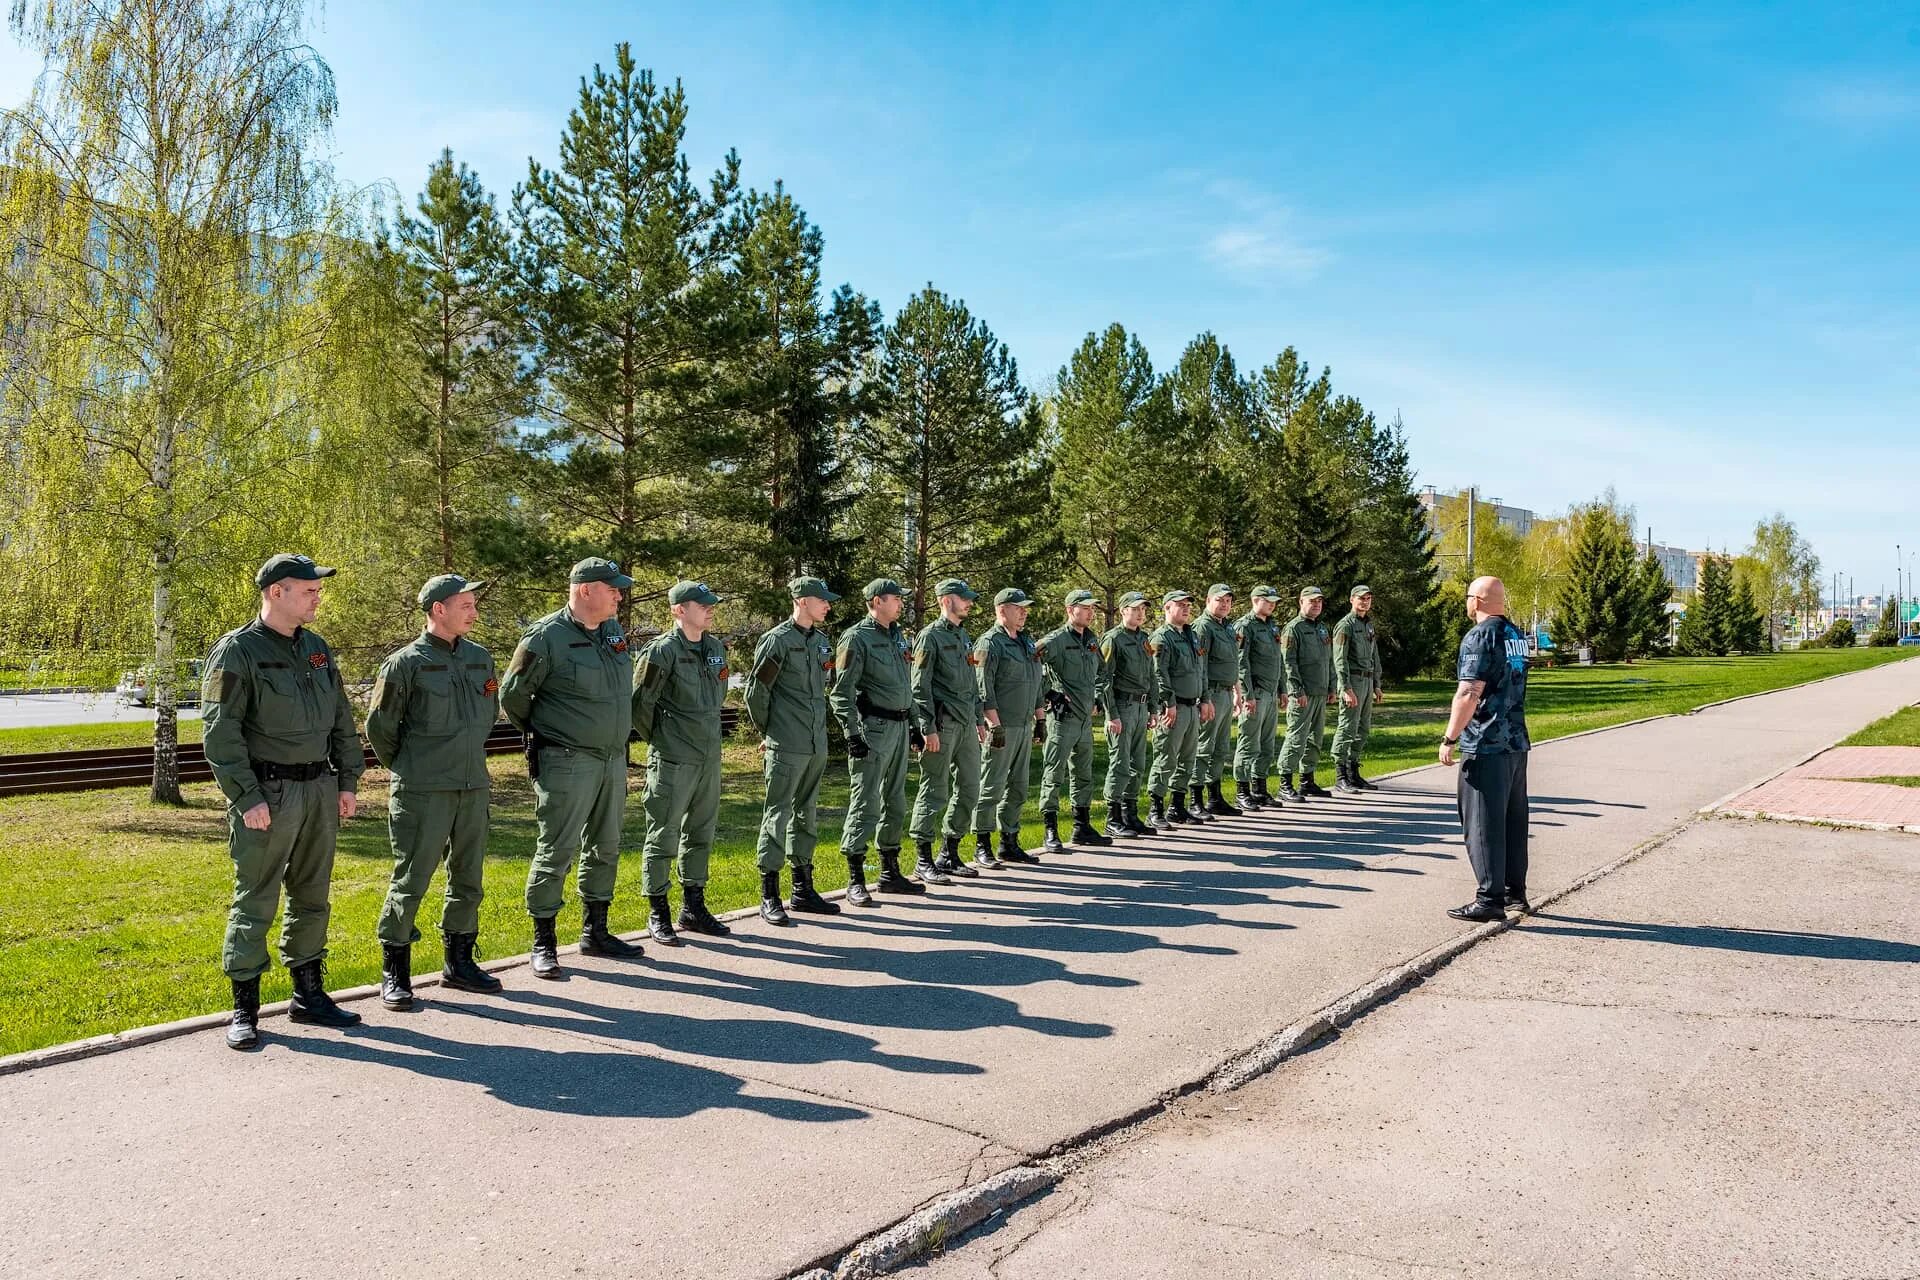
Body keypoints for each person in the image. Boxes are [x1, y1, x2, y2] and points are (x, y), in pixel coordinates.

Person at [202, 554, 365, 1050]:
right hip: (268, 794)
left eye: (317, 591)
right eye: (309, 590)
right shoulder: (236, 652)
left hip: (319, 789)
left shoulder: (316, 649)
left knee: (312, 895)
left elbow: (340, 716)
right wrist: (246, 796)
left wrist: (347, 780)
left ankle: (308, 996)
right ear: (277, 592)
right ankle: (244, 1008)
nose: (318, 598)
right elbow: (219, 731)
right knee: (256, 899)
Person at [499, 557, 645, 980]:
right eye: (612, 588)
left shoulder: (613, 632)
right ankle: (543, 940)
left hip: (611, 759)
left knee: (606, 845)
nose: (619, 594)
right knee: (557, 849)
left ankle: (595, 931)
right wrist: (549, 732)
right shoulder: (546, 638)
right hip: (566, 759)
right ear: (585, 590)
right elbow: (513, 697)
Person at [365, 573, 503, 1011]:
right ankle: (395, 972)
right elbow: (381, 730)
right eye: (465, 605)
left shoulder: (480, 659)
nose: (474, 612)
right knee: (412, 880)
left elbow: (487, 715)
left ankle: (459, 963)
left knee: (468, 878)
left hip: (472, 785)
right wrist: (414, 768)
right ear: (438, 609)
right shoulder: (405, 663)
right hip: (423, 790)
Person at [632, 580, 732, 945]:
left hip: (708, 756)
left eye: (711, 604)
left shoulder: (715, 648)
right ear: (678, 610)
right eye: (701, 604)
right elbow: (640, 704)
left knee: (701, 832)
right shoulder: (662, 652)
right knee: (663, 834)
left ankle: (693, 907)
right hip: (673, 757)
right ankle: (657, 911)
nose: (710, 609)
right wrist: (663, 739)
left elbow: (717, 696)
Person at [744, 577, 845, 925]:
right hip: (787, 744)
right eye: (822, 600)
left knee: (807, 815)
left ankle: (802, 890)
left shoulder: (821, 642)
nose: (827, 606)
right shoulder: (777, 641)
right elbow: (757, 693)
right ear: (802, 601)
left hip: (815, 743)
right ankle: (769, 893)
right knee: (778, 816)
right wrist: (770, 732)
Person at [1440, 576, 1532, 922]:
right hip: (1515, 741)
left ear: (1477, 600)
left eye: (1467, 597)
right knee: (1512, 820)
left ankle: (1489, 898)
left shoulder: (1481, 635)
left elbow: (1469, 691)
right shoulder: (1515, 635)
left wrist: (1450, 737)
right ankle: (1513, 893)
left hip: (1486, 741)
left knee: (1482, 821)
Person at [831, 579, 924, 905]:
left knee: (895, 803)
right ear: (877, 601)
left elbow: (905, 686)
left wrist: (915, 726)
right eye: (896, 598)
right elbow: (841, 694)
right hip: (873, 730)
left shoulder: (898, 637)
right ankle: (855, 878)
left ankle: (889, 873)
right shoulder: (857, 638)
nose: (901, 603)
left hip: (899, 730)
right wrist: (852, 734)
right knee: (866, 803)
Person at [909, 578, 989, 881]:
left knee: (970, 788)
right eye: (963, 598)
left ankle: (949, 853)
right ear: (945, 600)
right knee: (934, 789)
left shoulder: (964, 636)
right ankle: (923, 858)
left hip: (967, 723)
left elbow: (971, 683)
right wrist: (927, 727)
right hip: (941, 725)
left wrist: (979, 719)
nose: (968, 602)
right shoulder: (929, 637)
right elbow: (920, 686)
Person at [972, 588, 1047, 863]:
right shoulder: (990, 643)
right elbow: (983, 688)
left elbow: (1037, 683)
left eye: (1025, 608)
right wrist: (994, 725)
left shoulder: (1026, 643)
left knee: (1018, 786)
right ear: (1002, 610)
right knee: (992, 785)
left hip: (1024, 725)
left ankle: (1009, 841)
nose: (1024, 612)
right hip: (1002, 726)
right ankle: (982, 843)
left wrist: (1040, 719)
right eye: (1019, 608)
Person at [1037, 588, 1112, 852]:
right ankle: (1050, 829)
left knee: (1083, 774)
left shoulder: (1092, 639)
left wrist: (1097, 697)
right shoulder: (1056, 639)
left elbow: (1103, 673)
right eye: (1085, 607)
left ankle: (1082, 826)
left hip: (1083, 720)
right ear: (1071, 610)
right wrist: (1048, 693)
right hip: (1062, 719)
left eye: (1093, 608)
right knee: (1053, 773)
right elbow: (1031, 662)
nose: (1091, 612)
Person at [1095, 590, 1159, 838]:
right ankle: (1113, 817)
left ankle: (1130, 814)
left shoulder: (1144, 639)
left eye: (1143, 609)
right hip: (1122, 706)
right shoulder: (1113, 639)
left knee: (1138, 764)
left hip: (1141, 707)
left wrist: (1153, 708)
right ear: (1123, 611)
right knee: (1120, 763)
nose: (1140, 613)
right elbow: (1104, 679)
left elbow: (1151, 676)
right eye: (1135, 608)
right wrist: (1111, 714)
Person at [1147, 590, 1205, 830]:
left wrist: (1206, 698)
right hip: (1174, 707)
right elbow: (1159, 674)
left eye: (1187, 605)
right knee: (1166, 757)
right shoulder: (1162, 637)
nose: (1185, 609)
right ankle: (1155, 809)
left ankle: (1177, 807)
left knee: (1188, 760)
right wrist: (1168, 702)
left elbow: (1201, 670)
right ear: (1167, 608)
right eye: (1179, 605)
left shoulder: (1191, 635)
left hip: (1192, 705)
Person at [1277, 586, 1335, 801]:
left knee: (1315, 739)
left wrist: (1331, 686)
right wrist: (1295, 689)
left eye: (1319, 601)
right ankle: (1285, 783)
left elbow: (1327, 660)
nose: (1316, 604)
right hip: (1302, 693)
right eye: (1312, 601)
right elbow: (1288, 662)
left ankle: (1307, 781)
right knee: (1296, 738)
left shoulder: (1322, 628)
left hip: (1319, 692)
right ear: (1301, 602)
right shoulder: (1294, 629)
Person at [1192, 584, 1243, 817]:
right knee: (1203, 747)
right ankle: (1195, 799)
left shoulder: (1227, 627)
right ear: (1208, 601)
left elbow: (1233, 661)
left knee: (1220, 748)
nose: (1224, 605)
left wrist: (1237, 690)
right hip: (1210, 693)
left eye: (1228, 601)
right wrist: (1205, 698)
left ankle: (1215, 796)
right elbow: (1200, 666)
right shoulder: (1203, 628)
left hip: (1225, 692)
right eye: (1220, 600)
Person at [1232, 585, 1285, 810]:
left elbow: (1278, 661)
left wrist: (1283, 689)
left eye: (1274, 601)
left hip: (1271, 693)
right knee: (1249, 742)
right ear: (1255, 600)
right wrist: (1247, 695)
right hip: (1256, 694)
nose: (1272, 604)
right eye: (1268, 600)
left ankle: (1259, 788)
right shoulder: (1245, 626)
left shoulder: (1272, 625)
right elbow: (1241, 663)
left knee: (1266, 744)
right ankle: (1242, 790)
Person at [1333, 584, 1385, 793]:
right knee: (1347, 728)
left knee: (1362, 729)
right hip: (1352, 681)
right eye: (1361, 598)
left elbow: (1375, 656)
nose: (1365, 602)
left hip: (1367, 680)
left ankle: (1353, 772)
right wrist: (1345, 687)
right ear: (1351, 600)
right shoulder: (1345, 625)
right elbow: (1340, 659)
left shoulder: (1368, 626)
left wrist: (1377, 684)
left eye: (1368, 598)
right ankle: (1340, 775)